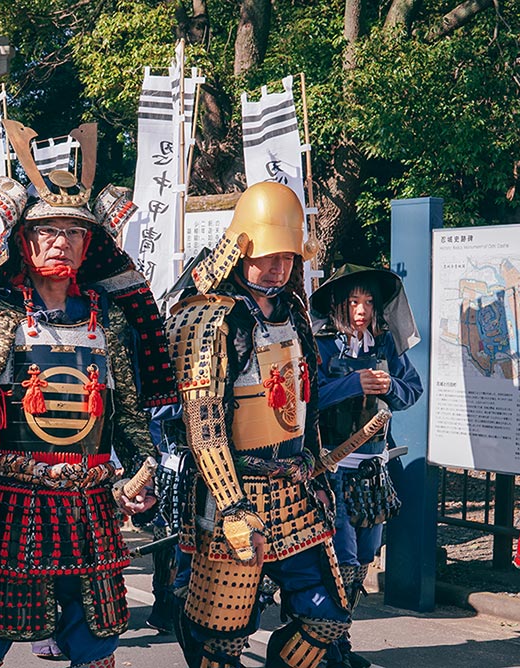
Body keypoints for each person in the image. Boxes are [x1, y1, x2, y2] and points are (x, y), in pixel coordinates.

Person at [0, 120, 177, 668]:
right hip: (9, 501)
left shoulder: (108, 321)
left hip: (91, 504)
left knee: (98, 640)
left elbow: (129, 418)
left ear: (88, 243)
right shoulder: (0, 318)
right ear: (25, 240)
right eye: (48, 231)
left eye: (73, 232)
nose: (60, 242)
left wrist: (144, 472)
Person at [166, 181, 351, 668]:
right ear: (241, 246)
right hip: (235, 488)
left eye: (288, 255)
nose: (278, 266)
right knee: (221, 639)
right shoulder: (208, 318)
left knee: (328, 617)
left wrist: (317, 469)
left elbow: (302, 403)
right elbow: (203, 425)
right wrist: (230, 505)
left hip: (294, 488)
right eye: (268, 254)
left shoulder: (295, 313)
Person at [310, 264, 422, 668]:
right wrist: (352, 383)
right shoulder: (318, 344)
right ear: (339, 304)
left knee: (367, 555)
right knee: (342, 558)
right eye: (354, 301)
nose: (362, 310)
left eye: (369, 301)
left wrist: (391, 385)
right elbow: (306, 399)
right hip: (331, 465)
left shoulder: (385, 345)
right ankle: (327, 646)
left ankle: (341, 638)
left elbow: (413, 390)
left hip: (373, 467)